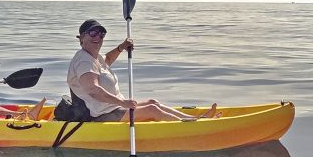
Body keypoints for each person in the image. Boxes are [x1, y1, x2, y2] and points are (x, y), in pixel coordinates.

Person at [67, 18, 217, 121]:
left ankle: (193, 120)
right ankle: (190, 126)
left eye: (101, 34)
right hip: (100, 115)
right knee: (152, 109)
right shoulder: (83, 60)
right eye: (93, 33)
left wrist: (121, 48)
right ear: (81, 38)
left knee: (153, 102)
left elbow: (107, 61)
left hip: (112, 108)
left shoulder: (94, 58)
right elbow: (93, 90)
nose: (98, 37)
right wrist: (123, 103)